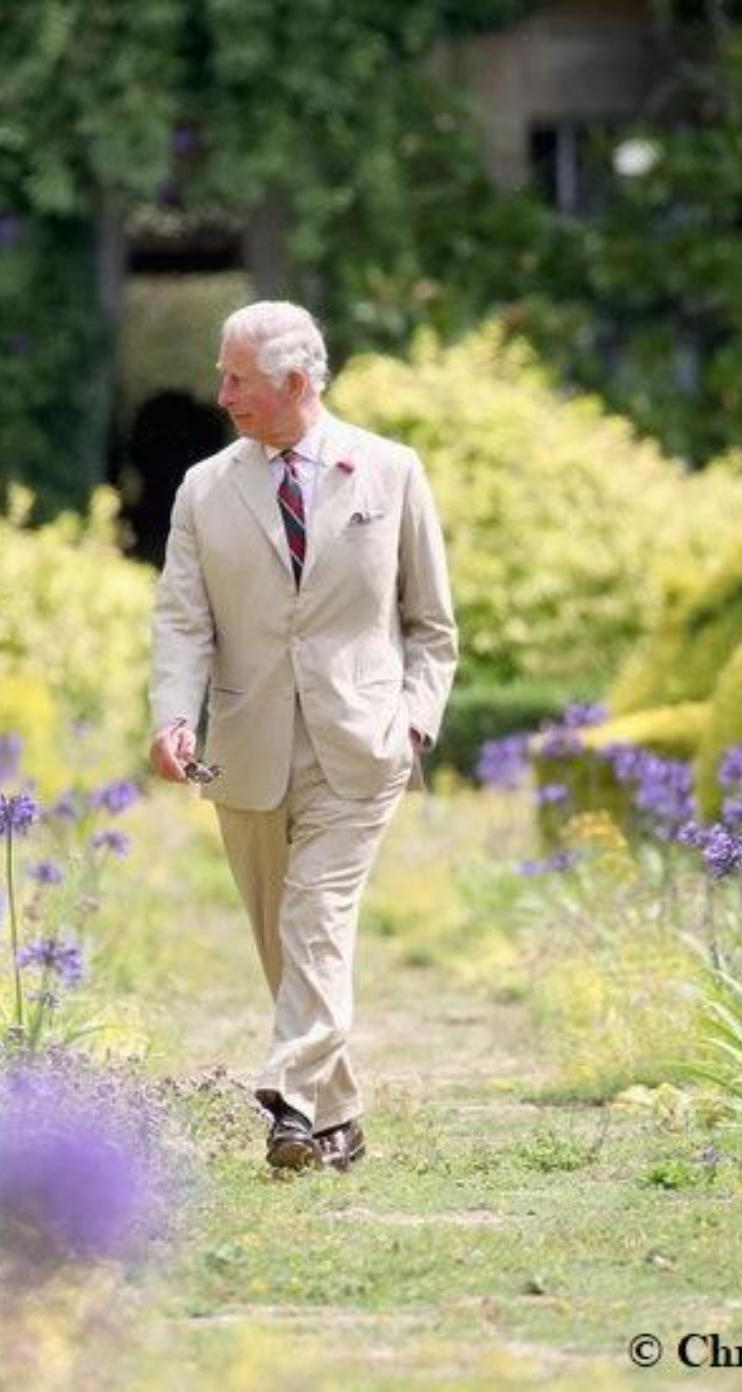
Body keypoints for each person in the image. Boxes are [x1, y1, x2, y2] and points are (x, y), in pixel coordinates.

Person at [148, 300, 458, 1172]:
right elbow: (182, 622)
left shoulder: (391, 473)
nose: (222, 394)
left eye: (237, 378)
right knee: (284, 944)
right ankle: (337, 1121)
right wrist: (173, 715)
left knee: (316, 918)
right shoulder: (205, 489)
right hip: (246, 746)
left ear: (295, 383)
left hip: (362, 746)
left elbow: (431, 624)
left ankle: (286, 1096)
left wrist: (415, 719)